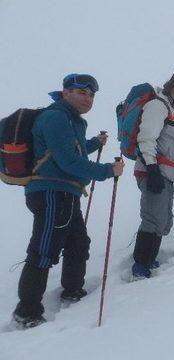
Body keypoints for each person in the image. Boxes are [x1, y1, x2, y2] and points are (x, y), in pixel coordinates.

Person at [12, 74, 124, 329]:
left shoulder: (71, 120)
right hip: (52, 191)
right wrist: (108, 171)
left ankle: (73, 292)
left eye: (91, 94)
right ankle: (26, 312)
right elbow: (69, 161)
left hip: (66, 193)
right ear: (65, 93)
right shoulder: (56, 117)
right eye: (81, 92)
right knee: (44, 250)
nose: (87, 98)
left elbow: (72, 150)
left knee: (77, 244)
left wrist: (95, 143)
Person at [131, 70, 174, 279]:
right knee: (153, 218)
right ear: (170, 87)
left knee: (164, 220)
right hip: (153, 171)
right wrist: (151, 169)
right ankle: (140, 265)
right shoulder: (158, 106)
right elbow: (146, 138)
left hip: (166, 174)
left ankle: (150, 259)